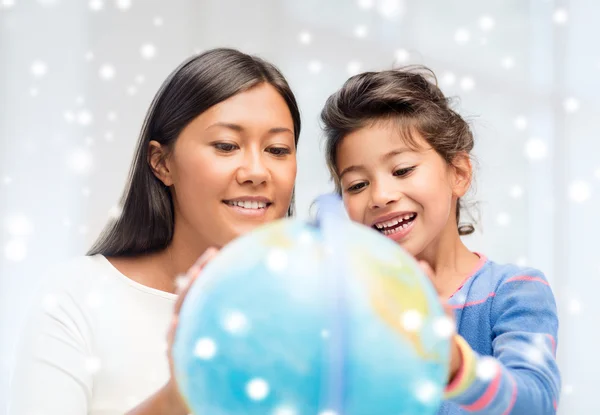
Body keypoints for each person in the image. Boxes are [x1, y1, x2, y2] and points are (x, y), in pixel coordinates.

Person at [9, 47, 301, 415]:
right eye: (227, 146)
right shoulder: (78, 298)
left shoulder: (315, 309)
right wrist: (176, 399)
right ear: (162, 163)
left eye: (277, 149)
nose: (257, 172)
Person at [320, 66, 561, 414]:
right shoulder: (348, 306)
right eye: (357, 185)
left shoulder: (514, 291)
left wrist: (455, 365)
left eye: (402, 170)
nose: (381, 195)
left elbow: (535, 401)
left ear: (459, 174)